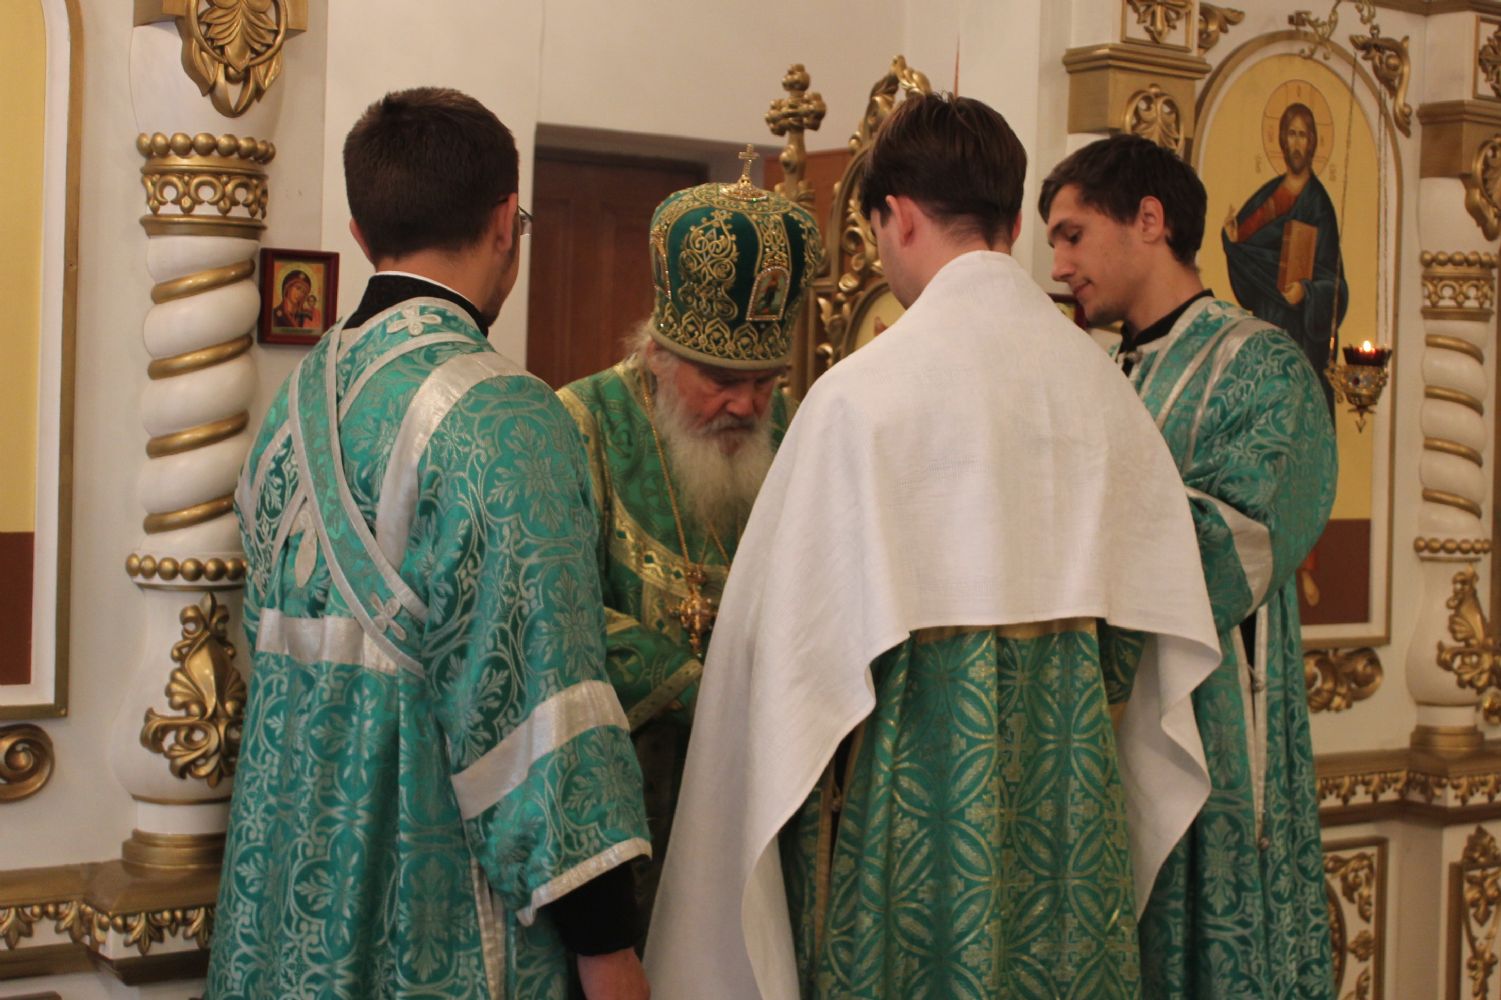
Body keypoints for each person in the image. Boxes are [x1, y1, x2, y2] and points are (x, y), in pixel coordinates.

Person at [647, 94, 1223, 999]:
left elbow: (783, 675)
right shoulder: (1103, 393)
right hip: (1070, 833)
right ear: (1008, 218)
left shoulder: (861, 399)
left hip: (909, 836)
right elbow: (1147, 648)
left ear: (898, 216)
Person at [209, 87, 651, 1000]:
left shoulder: (290, 410)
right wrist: (608, 947)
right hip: (430, 911)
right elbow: (542, 713)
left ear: (360, 233)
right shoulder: (503, 418)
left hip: (284, 906)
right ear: (503, 222)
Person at [1040, 133, 1337, 998]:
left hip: (1210, 736)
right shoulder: (1096, 375)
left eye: (1071, 235)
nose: (1058, 266)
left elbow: (1239, 542)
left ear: (1149, 219)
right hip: (1096, 737)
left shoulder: (1262, 366)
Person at [556, 166, 821, 924]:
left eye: (765, 380)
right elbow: (557, 611)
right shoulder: (582, 423)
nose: (747, 404)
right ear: (658, 354)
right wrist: (694, 686)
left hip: (761, 783)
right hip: (627, 799)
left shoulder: (795, 430)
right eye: (721, 379)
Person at [1222, 103, 1348, 410]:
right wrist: (1232, 239)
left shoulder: (1318, 205)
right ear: (1281, 139)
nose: (1296, 143)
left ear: (1312, 142)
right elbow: (1246, 251)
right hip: (1266, 322)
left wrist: (1307, 291)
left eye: (1303, 135)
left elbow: (1335, 284)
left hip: (1302, 334)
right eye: (1291, 134)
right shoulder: (1268, 195)